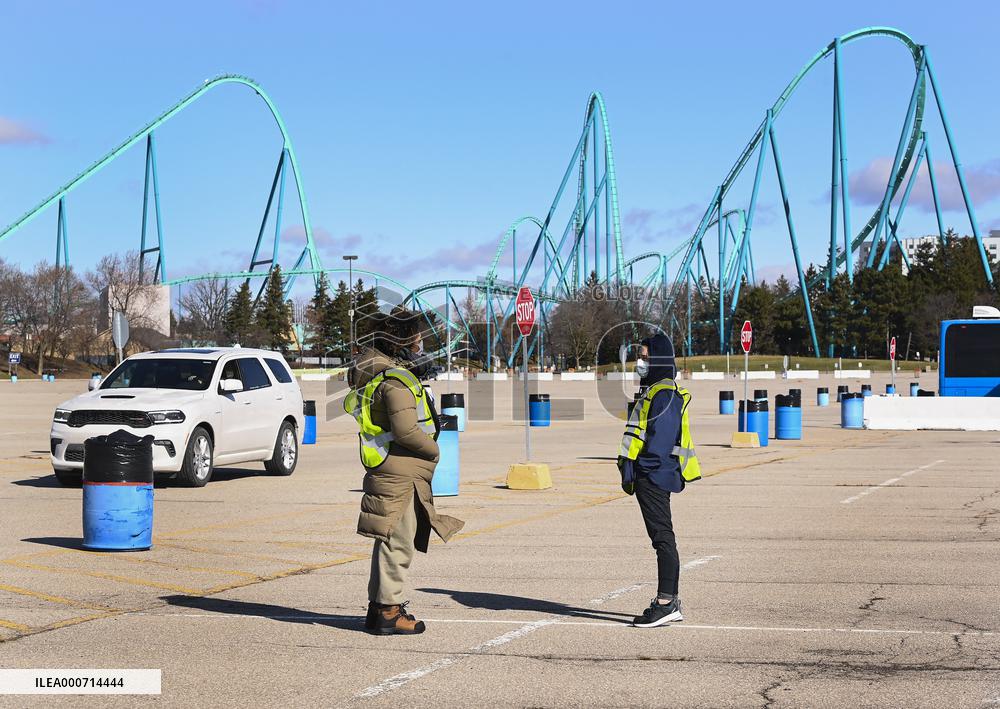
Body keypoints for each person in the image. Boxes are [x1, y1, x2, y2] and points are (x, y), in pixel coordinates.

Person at [345, 307, 464, 635]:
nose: (420, 345)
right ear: (399, 342)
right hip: (401, 474)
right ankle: (388, 611)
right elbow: (407, 431)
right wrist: (435, 449)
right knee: (398, 544)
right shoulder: (395, 381)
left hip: (392, 470)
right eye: (416, 340)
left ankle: (380, 607)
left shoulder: (382, 374)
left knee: (389, 541)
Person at [617, 333, 701, 628]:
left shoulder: (663, 392)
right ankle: (669, 600)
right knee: (662, 537)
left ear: (658, 359)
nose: (640, 363)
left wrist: (642, 470)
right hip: (653, 474)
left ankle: (666, 603)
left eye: (645, 357)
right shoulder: (655, 389)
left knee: (662, 538)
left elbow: (660, 439)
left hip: (653, 475)